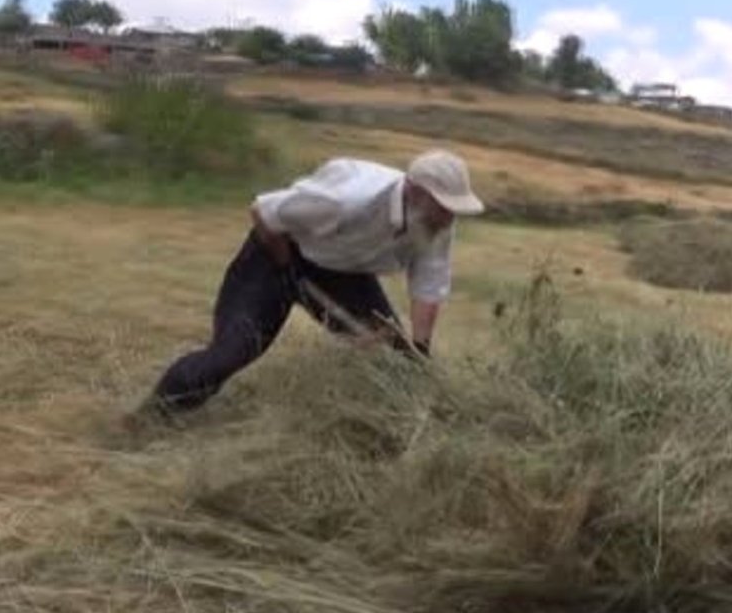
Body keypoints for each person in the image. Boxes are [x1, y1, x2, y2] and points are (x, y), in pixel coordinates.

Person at [130, 149, 484, 423]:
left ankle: (378, 431)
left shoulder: (436, 222)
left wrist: (420, 348)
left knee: (398, 357)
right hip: (276, 255)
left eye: (452, 209)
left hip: (343, 270)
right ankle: (153, 416)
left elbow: (430, 277)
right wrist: (286, 268)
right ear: (413, 192)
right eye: (443, 207)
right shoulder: (346, 201)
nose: (448, 217)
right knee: (233, 351)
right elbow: (264, 212)